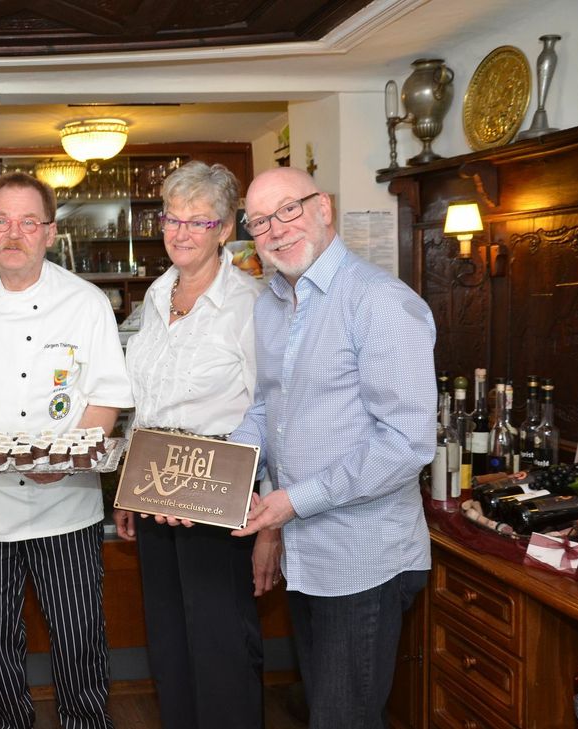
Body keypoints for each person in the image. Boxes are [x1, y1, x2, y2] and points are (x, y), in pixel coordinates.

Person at [0, 172, 134, 729]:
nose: (12, 234)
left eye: (27, 222)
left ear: (49, 232)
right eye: (1, 221)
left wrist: (62, 460)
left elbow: (107, 399)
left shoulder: (84, 302)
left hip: (66, 506)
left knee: (78, 637)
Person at [229, 167, 436, 729]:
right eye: (260, 221)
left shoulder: (381, 302)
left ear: (324, 207)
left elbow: (405, 443)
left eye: (288, 211)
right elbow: (269, 409)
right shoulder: (271, 302)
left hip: (363, 560)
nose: (276, 230)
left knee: (345, 719)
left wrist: (292, 501)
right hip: (307, 556)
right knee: (327, 710)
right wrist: (224, 472)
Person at [113, 160, 281, 729]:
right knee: (170, 645)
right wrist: (127, 490)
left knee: (222, 650)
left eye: (198, 221)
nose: (180, 232)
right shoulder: (156, 297)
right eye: (171, 218)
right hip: (158, 490)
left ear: (225, 229)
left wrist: (270, 526)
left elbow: (275, 415)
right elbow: (146, 406)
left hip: (221, 498)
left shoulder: (252, 304)